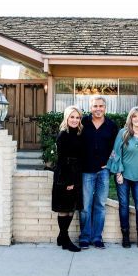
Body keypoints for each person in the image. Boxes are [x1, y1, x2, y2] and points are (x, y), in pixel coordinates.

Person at [106, 107, 138, 248]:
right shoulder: (123, 133)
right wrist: (118, 173)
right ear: (130, 119)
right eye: (134, 116)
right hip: (123, 177)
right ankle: (125, 235)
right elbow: (116, 153)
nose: (137, 119)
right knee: (124, 206)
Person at [79, 96, 118, 249]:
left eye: (101, 106)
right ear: (90, 107)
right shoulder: (83, 123)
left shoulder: (111, 125)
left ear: (105, 108)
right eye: (95, 106)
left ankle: (97, 237)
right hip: (86, 170)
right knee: (85, 206)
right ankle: (84, 236)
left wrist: (109, 164)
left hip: (103, 171)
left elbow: (115, 149)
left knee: (100, 205)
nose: (98, 109)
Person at [51, 105, 85, 252]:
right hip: (65, 175)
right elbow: (62, 159)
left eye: (77, 117)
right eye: (72, 117)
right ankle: (65, 240)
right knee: (64, 208)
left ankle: (61, 236)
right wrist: (68, 181)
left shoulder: (78, 133)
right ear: (66, 118)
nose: (75, 120)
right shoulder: (63, 135)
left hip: (76, 173)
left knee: (71, 208)